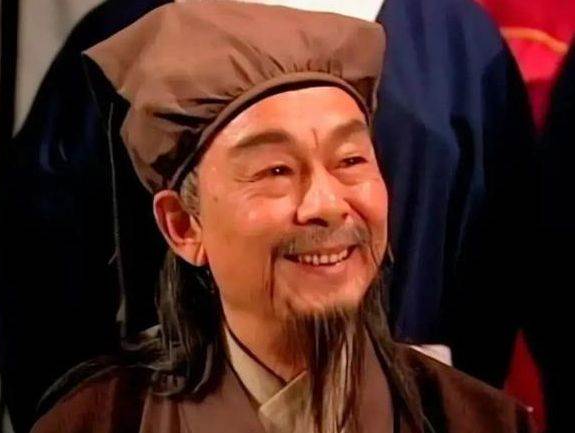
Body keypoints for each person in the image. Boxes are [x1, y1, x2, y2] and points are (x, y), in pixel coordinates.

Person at [30, 3, 533, 433]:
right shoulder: (97, 422)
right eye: (275, 170)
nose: (327, 204)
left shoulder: (482, 422)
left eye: (350, 160)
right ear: (183, 225)